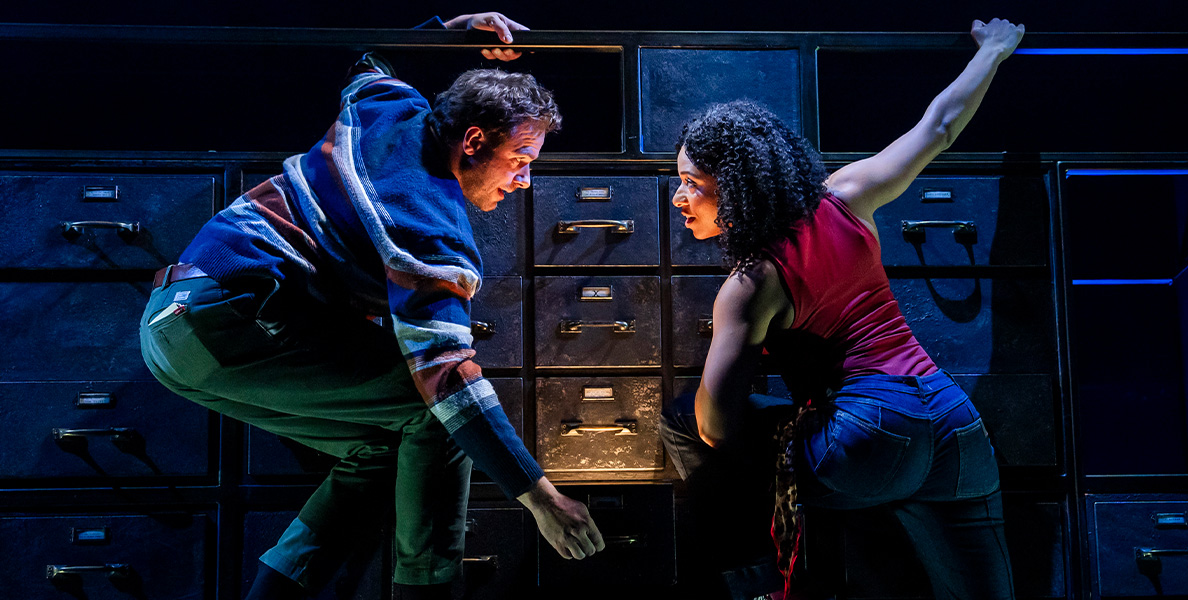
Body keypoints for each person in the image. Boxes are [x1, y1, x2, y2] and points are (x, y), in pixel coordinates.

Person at [138, 12, 604, 600]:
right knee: (432, 416)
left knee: (378, 450)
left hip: (176, 329)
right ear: (474, 142)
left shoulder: (386, 105)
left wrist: (451, 28)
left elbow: (372, 54)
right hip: (232, 324)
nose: (525, 180)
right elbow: (449, 382)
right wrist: (542, 497)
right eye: (522, 157)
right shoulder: (427, 224)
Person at [662, 18, 1025, 600]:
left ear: (735, 186)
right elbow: (940, 125)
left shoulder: (752, 283)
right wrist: (996, 51)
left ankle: (763, 583)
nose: (678, 197)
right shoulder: (849, 194)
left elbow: (716, 427)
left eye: (691, 183)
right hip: (956, 424)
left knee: (684, 417)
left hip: (868, 435)